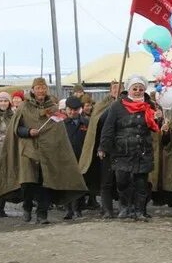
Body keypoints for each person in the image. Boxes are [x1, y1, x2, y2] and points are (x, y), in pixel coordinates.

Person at [0, 78, 88, 224]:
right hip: (28, 150)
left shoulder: (53, 109)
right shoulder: (24, 107)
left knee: (45, 182)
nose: (41, 91)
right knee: (28, 182)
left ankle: (42, 214)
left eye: (43, 88)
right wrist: (28, 132)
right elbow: (16, 128)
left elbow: (58, 131)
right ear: (33, 90)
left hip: (48, 152)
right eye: (38, 88)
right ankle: (27, 207)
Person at [98, 76, 160, 221]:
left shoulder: (150, 105)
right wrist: (103, 147)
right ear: (129, 89)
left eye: (141, 89)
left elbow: (154, 126)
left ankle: (140, 210)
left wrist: (158, 118)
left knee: (141, 182)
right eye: (135, 88)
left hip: (142, 149)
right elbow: (108, 127)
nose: (138, 91)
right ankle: (125, 207)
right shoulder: (117, 106)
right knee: (122, 180)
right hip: (122, 150)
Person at [79, 80, 120, 218]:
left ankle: (125, 207)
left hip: (122, 148)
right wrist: (112, 108)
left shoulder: (127, 104)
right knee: (106, 180)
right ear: (110, 90)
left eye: (120, 87)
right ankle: (106, 208)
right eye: (114, 88)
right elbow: (99, 121)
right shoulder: (102, 105)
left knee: (122, 179)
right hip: (106, 147)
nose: (117, 90)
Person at [63, 96, 88, 220]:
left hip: (82, 158)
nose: (72, 112)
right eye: (70, 109)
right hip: (66, 158)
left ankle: (78, 209)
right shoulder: (61, 124)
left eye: (75, 109)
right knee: (67, 184)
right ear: (66, 109)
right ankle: (68, 210)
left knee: (80, 184)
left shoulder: (86, 123)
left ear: (80, 109)